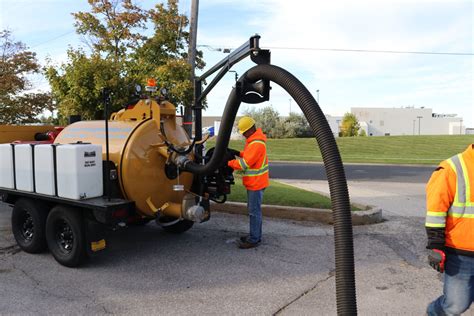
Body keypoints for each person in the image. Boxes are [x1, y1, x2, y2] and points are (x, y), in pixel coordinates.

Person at [426, 144, 474, 315]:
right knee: (456, 305)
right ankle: (434, 312)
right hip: (461, 255)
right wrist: (435, 245)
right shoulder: (452, 168)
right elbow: (435, 211)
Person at [228, 116, 269, 249]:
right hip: (256, 182)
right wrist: (237, 152)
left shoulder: (256, 143)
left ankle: (253, 239)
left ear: (250, 130)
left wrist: (228, 162)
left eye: (244, 132)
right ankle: (255, 235)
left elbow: (245, 164)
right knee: (255, 211)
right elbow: (248, 156)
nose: (243, 135)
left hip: (256, 183)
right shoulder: (255, 141)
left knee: (254, 212)